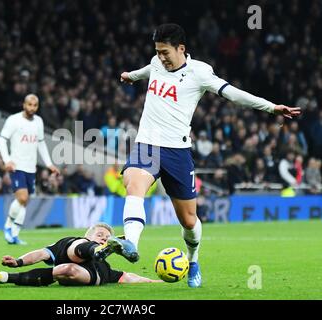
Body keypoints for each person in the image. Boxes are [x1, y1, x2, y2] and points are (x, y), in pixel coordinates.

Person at [119, 23, 301, 287]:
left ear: (181, 49)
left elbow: (234, 95)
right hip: (147, 144)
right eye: (157, 52)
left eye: (165, 52)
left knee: (189, 221)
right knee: (134, 184)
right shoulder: (156, 63)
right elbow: (148, 70)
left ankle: (193, 260)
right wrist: (131, 76)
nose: (160, 57)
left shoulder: (200, 73)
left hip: (178, 152)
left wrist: (271, 107)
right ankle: (131, 244)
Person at [0, 223, 161, 286]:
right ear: (89, 235)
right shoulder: (73, 241)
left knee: (67, 268)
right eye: (100, 235)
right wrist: (19, 261)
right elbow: (40, 254)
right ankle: (95, 250)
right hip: (75, 254)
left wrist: (154, 282)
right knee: (74, 252)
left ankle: (2, 278)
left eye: (107, 238)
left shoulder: (105, 268)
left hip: (88, 273)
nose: (103, 237)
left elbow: (127, 277)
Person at [0, 94, 59, 245]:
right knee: (22, 198)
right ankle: (7, 227)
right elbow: (1, 140)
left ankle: (15, 236)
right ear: (24, 104)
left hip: (31, 167)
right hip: (16, 166)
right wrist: (7, 160)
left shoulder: (38, 121)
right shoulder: (14, 120)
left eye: (35, 105)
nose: (32, 108)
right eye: (29, 104)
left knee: (25, 202)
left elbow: (41, 143)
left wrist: (49, 164)